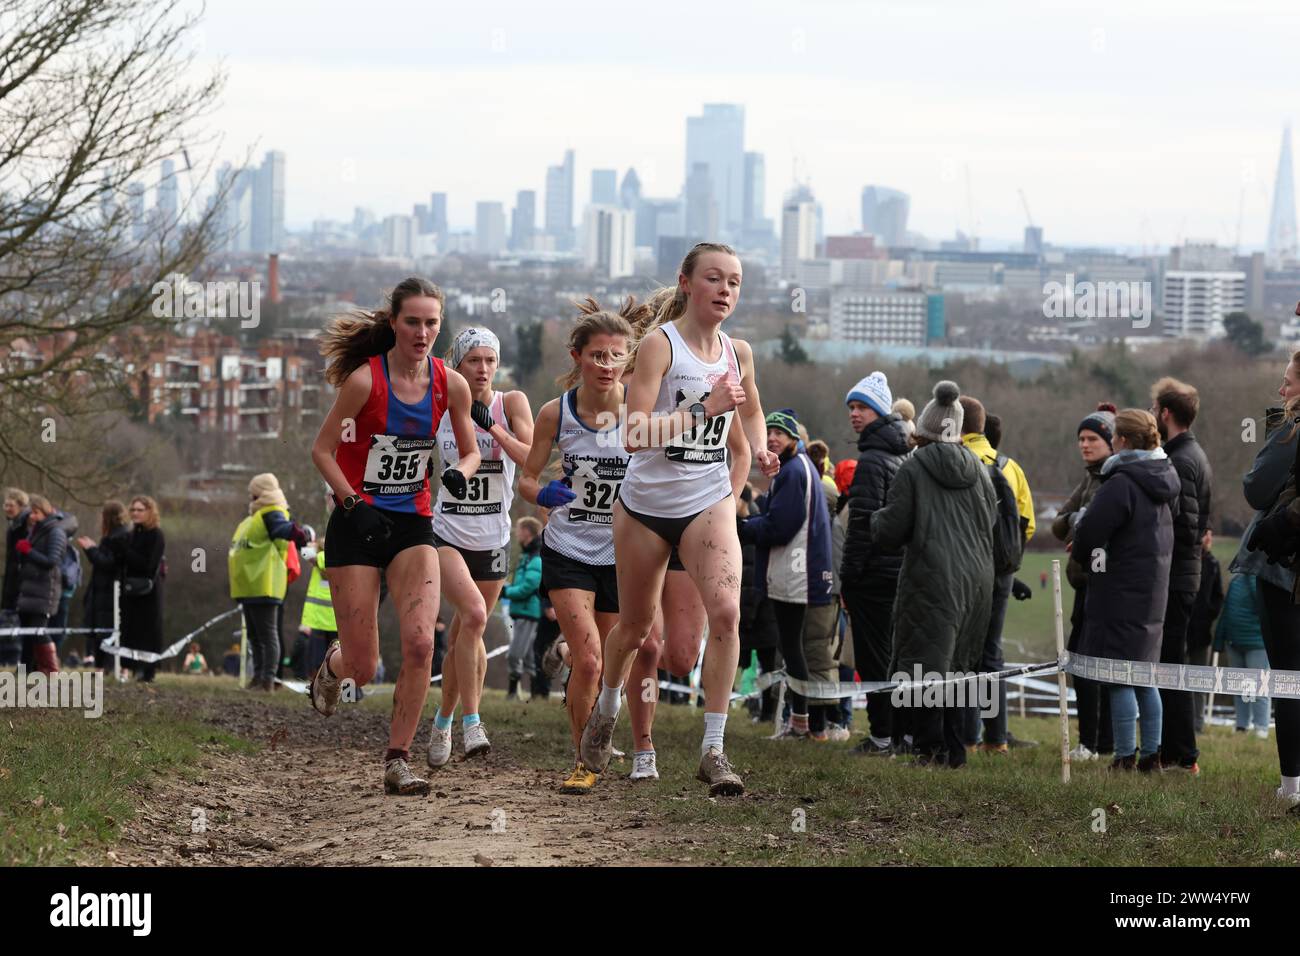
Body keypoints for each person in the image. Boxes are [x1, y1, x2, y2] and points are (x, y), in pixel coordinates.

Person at [578, 242, 780, 797]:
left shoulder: (739, 352)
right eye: (714, 279)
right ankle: (608, 706)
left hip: (708, 501)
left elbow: (753, 408)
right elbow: (634, 435)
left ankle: (713, 749)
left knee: (728, 613)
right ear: (687, 283)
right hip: (644, 508)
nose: (725, 290)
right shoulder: (658, 348)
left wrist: (759, 451)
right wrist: (701, 411)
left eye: (734, 282)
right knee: (635, 628)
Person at [309, 276, 482, 796]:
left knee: (421, 640)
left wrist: (459, 473)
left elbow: (470, 451)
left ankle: (397, 759)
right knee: (363, 668)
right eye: (413, 321)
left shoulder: (451, 383)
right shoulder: (365, 381)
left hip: (411, 523)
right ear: (394, 323)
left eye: (432, 323)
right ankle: (333, 666)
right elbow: (321, 450)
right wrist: (352, 502)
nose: (423, 332)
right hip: (358, 524)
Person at [519, 298, 661, 790]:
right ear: (577, 355)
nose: (606, 365)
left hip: (624, 554)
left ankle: (601, 731)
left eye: (617, 356)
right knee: (591, 658)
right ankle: (583, 761)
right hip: (569, 548)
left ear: (630, 360)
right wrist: (544, 492)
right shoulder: (553, 414)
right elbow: (527, 479)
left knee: (613, 664)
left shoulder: (643, 412)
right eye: (597, 355)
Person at [869, 381, 996, 769]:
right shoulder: (980, 470)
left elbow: (891, 531)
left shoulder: (914, 468)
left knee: (925, 663)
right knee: (959, 664)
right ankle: (955, 751)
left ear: (923, 430)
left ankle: (927, 749)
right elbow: (990, 520)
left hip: (932, 575)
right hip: (978, 580)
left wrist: (874, 519)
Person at [424, 326, 533, 767]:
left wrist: (497, 431)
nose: (483, 369)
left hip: (493, 539)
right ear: (458, 364)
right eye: (474, 361)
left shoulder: (513, 403)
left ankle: (442, 722)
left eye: (490, 360)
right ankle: (473, 722)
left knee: (466, 636)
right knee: (471, 616)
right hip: (447, 533)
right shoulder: (440, 404)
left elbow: (534, 460)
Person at [1073, 409, 1179, 773]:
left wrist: (1088, 557)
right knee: (1145, 675)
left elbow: (1089, 531)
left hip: (1119, 591)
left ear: (1123, 441)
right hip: (1152, 590)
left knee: (1118, 677)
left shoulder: (1121, 482)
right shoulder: (1166, 476)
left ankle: (1123, 756)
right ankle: (1151, 755)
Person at [740, 409, 835, 740]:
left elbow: (779, 527)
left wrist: (741, 528)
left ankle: (803, 722)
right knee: (793, 646)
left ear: (795, 437)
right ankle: (806, 722)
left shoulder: (794, 471)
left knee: (793, 647)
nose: (772, 438)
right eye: (768, 432)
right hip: (797, 571)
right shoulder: (794, 468)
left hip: (796, 573)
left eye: (780, 432)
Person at [1231, 348, 1300, 809]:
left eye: (1288, 381)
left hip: (1283, 567)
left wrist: (1280, 431)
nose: (1280, 390)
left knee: (1288, 680)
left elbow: (1256, 487)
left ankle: (1292, 787)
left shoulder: (1292, 428)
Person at [958, 394, 1035, 754]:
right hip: (1001, 572)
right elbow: (1028, 526)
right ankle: (997, 737)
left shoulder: (956, 461)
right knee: (992, 651)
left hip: (963, 568)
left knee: (963, 651)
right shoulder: (1011, 467)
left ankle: (967, 735)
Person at [840, 371, 910, 756]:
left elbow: (862, 527)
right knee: (891, 655)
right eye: (851, 407)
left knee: (872, 659)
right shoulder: (900, 455)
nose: (854, 414)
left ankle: (882, 735)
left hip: (871, 578)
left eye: (862, 407)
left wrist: (848, 578)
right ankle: (896, 732)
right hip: (895, 574)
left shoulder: (871, 461)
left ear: (879, 412)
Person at [1150, 377, 1212, 774]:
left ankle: (1182, 754)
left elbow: (1187, 528)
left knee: (1172, 664)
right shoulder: (1190, 453)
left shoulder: (1181, 459)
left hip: (1177, 577)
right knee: (1171, 662)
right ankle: (1174, 751)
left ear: (1166, 413)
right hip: (1183, 574)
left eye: (1154, 408)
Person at [1052, 403, 1117, 761]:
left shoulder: (1110, 478)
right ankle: (1097, 741)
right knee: (1082, 660)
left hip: (1100, 583)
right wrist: (1078, 517)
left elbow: (1092, 527)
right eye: (1081, 438)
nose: (1085, 444)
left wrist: (1078, 521)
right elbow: (1059, 523)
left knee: (1089, 662)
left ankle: (1092, 742)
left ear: (1110, 441)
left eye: (1092, 438)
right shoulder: (1089, 477)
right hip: (1083, 583)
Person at [228, 473, 310, 691]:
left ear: (261, 492)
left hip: (264, 583)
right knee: (255, 636)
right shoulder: (254, 518)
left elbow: (281, 529)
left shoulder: (271, 513)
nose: (250, 496)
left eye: (252, 491)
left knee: (266, 635)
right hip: (250, 585)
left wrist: (296, 532)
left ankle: (267, 680)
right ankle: (258, 677)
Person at [14, 494, 67, 674]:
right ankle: (25, 670)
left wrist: (28, 551)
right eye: (31, 513)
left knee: (38, 631)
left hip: (45, 591)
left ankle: (51, 670)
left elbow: (52, 561)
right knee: (26, 634)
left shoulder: (56, 532)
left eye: (36, 513)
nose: (32, 516)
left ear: (45, 512)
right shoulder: (34, 531)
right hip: (29, 590)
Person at [1212, 572, 1269, 738]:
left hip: (1257, 643)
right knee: (1241, 687)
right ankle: (1242, 725)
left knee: (1259, 687)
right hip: (1233, 642)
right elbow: (1226, 612)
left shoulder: (1262, 581)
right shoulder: (1235, 580)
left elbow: (1262, 606)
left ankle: (1261, 728)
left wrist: (1254, 578)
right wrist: (1219, 640)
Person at [77, 501, 130, 669]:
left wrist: (91, 550)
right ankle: (102, 668)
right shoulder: (117, 535)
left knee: (105, 632)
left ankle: (107, 667)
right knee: (101, 632)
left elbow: (109, 564)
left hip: (108, 593)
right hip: (103, 592)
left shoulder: (117, 538)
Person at [120, 496, 165, 682]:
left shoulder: (156, 535)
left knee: (147, 629)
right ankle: (130, 666)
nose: (135, 513)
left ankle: (147, 670)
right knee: (130, 628)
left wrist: (125, 552)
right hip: (130, 588)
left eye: (140, 510)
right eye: (133, 510)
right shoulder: (132, 534)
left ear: (149, 512)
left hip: (148, 590)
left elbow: (148, 565)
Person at [1188, 529, 1224, 732]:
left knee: (1200, 680)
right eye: (1205, 534)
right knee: (1175, 678)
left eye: (1211, 534)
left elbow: (1218, 596)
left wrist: (1208, 615)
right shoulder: (1184, 559)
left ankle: (1197, 724)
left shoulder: (1213, 564)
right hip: (1181, 629)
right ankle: (1175, 722)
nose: (1209, 538)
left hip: (1202, 632)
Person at [503, 517, 542, 700]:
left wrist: (507, 592)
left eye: (519, 530)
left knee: (514, 654)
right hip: (522, 611)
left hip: (528, 611)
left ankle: (512, 693)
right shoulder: (526, 555)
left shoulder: (536, 557)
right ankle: (536, 695)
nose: (517, 533)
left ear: (527, 532)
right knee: (527, 656)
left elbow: (529, 586)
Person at [299, 535, 337, 678]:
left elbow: (304, 552)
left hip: (319, 619)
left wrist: (311, 544)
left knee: (317, 658)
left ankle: (320, 684)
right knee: (337, 655)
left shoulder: (322, 557)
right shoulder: (341, 560)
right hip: (335, 620)